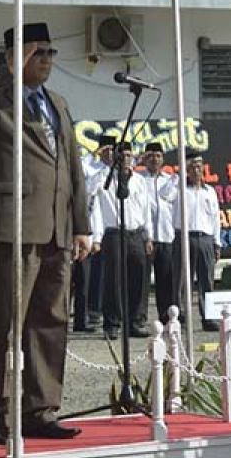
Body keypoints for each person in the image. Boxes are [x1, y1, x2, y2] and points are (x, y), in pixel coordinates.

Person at [0, 22, 92, 444]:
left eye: (50, 53)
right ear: (17, 55)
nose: (47, 60)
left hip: (55, 230)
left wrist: (81, 226)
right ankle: (0, 410)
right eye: (38, 53)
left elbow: (73, 168)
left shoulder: (58, 103)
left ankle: (40, 409)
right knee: (4, 324)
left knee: (51, 320)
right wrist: (7, 71)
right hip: (8, 228)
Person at [91, 141, 152, 339]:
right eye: (123, 156)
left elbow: (146, 210)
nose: (127, 160)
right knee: (113, 280)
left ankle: (136, 321)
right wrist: (97, 237)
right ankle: (112, 323)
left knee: (140, 276)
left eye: (130, 156)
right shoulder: (104, 179)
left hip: (136, 232)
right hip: (114, 233)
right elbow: (93, 199)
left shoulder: (139, 181)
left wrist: (148, 236)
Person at [72, 134, 115, 332]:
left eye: (112, 151)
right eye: (105, 151)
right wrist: (95, 157)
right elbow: (87, 190)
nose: (109, 154)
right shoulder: (91, 167)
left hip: (106, 231)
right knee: (79, 279)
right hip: (84, 230)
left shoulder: (117, 172)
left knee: (97, 279)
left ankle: (91, 316)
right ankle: (80, 318)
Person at [174, 151, 220, 331]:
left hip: (205, 238)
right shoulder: (179, 189)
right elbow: (164, 194)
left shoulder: (210, 191)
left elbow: (216, 218)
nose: (196, 170)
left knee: (206, 280)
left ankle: (208, 317)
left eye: (199, 167)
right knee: (182, 281)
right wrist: (178, 176)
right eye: (192, 167)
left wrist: (217, 243)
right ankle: (180, 317)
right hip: (184, 237)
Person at [140, 143, 180, 322]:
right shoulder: (139, 180)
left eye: (157, 156)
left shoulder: (171, 180)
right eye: (150, 156)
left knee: (166, 280)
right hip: (144, 238)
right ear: (145, 159)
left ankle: (167, 317)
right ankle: (138, 319)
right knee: (141, 282)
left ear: (163, 158)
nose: (154, 159)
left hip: (166, 236)